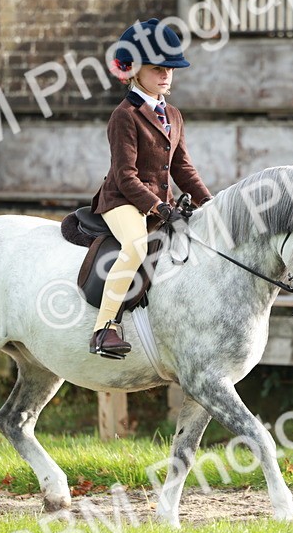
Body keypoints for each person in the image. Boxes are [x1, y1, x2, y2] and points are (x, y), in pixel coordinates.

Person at [88, 19, 213, 358]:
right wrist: (158, 207)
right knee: (137, 247)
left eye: (170, 69)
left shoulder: (173, 114)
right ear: (134, 71)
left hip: (161, 202)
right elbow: (125, 176)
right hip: (123, 201)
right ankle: (105, 328)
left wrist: (209, 202)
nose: (166, 75)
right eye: (157, 68)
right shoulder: (124, 115)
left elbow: (183, 167)